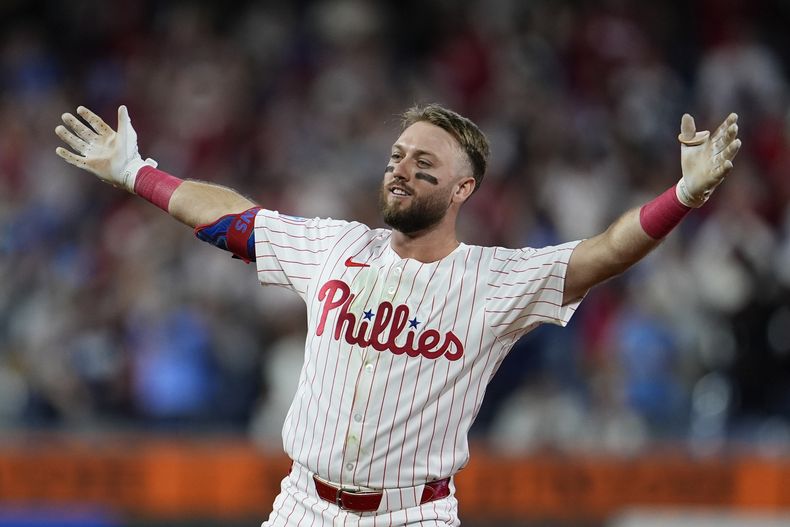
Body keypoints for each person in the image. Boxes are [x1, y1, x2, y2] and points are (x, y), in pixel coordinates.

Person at [55, 103, 740, 526]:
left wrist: (681, 194)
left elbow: (603, 253)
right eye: (396, 156)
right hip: (302, 504)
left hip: (413, 513)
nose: (401, 169)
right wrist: (138, 172)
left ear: (464, 187)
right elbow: (231, 219)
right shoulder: (334, 245)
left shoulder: (494, 279)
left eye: (424, 162)